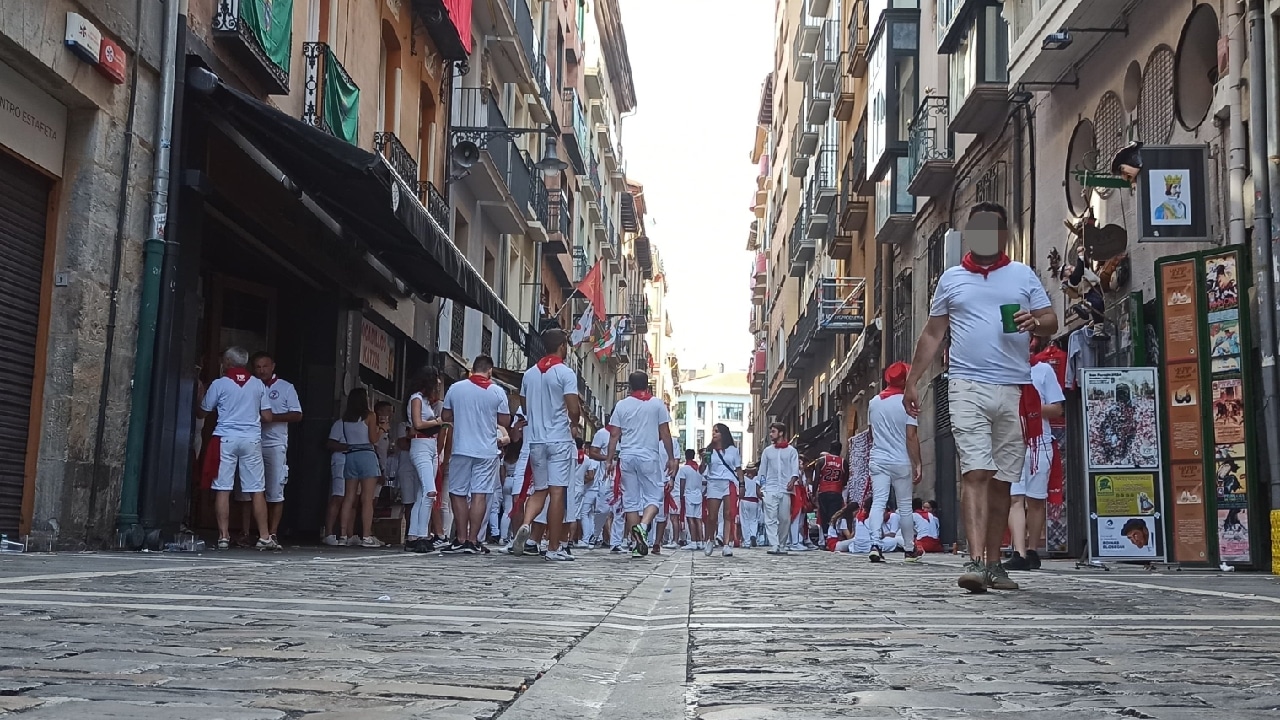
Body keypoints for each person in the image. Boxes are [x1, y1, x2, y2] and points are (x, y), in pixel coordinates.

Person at [905, 201, 1058, 593]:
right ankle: (974, 561)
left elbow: (1051, 321)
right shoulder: (951, 279)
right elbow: (933, 333)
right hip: (966, 384)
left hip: (1014, 387)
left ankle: (993, 563)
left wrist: (1034, 321)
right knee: (975, 471)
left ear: (1004, 234)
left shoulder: (1023, 275)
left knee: (1003, 482)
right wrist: (912, 381)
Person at [197, 346, 278, 551]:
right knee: (256, 489)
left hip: (225, 439)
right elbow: (268, 416)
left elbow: (202, 412)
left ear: (227, 362)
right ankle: (264, 536)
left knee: (223, 488)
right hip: (251, 440)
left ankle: (223, 536)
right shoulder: (258, 385)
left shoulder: (219, 384)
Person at [513, 329, 581, 561]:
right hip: (559, 439)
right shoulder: (565, 372)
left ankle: (525, 525)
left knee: (539, 489)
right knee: (557, 491)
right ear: (562, 345)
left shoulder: (530, 374)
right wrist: (574, 422)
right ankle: (553, 547)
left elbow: (524, 404)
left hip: (536, 440)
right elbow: (573, 408)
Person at [441, 355, 511, 554]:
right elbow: (505, 421)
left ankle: (461, 538)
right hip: (487, 451)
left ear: (473, 368)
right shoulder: (497, 391)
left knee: (458, 492)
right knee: (479, 494)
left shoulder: (456, 388)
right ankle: (474, 540)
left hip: (462, 448)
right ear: (490, 370)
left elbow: (445, 416)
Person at [605, 371, 678, 558]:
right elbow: (665, 433)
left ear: (629, 386)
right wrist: (671, 457)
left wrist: (609, 459)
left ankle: (638, 545)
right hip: (649, 456)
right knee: (655, 497)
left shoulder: (621, 405)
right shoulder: (657, 404)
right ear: (648, 385)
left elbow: (614, 435)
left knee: (631, 502)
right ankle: (643, 526)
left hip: (628, 457)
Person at [231, 352, 302, 544]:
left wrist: (271, 418)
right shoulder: (248, 386)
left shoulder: (286, 387)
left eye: (265, 366)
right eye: (258, 367)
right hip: (251, 441)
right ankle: (245, 532)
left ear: (273, 366)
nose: (261, 370)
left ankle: (272, 533)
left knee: (275, 490)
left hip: (275, 444)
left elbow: (297, 415)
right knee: (246, 490)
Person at [1006, 352, 1065, 571]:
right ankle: (1018, 552)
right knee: (1015, 497)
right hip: (1012, 442)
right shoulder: (1003, 370)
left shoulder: (1043, 371)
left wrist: (1029, 410)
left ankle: (1032, 550)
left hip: (1040, 443)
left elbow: (1057, 408)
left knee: (1036, 499)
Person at [867, 361, 922, 563]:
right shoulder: (908, 403)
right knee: (905, 506)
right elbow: (911, 436)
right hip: (901, 460)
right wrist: (918, 463)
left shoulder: (874, 402)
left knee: (878, 502)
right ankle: (909, 549)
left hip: (879, 458)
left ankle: (874, 544)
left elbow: (872, 433)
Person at [336, 388, 388, 548]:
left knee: (349, 496)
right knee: (367, 498)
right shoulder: (370, 416)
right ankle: (366, 536)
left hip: (350, 455)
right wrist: (383, 429)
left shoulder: (345, 419)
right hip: (366, 454)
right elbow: (373, 439)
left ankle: (343, 535)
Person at [405, 366, 446, 553]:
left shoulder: (427, 402)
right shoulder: (416, 398)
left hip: (429, 446)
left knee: (423, 493)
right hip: (421, 445)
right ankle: (421, 534)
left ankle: (414, 535)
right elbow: (418, 424)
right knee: (430, 492)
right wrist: (438, 422)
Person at [701, 423, 743, 557]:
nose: (714, 434)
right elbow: (701, 470)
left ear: (723, 434)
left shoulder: (732, 450)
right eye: (713, 431)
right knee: (712, 516)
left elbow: (738, 469)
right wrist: (703, 461)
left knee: (728, 514)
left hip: (729, 482)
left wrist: (742, 484)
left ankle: (726, 544)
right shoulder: (709, 450)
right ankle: (710, 540)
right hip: (713, 483)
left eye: (717, 431)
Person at [758, 422, 800, 555]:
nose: (771, 434)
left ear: (781, 433)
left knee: (784, 519)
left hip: (785, 489)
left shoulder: (792, 451)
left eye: (773, 431)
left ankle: (782, 543)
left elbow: (795, 469)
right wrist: (759, 486)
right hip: (770, 488)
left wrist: (792, 480)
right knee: (770, 518)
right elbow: (762, 470)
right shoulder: (767, 451)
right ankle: (774, 544)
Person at [814, 442, 847, 532]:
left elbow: (816, 479)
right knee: (834, 515)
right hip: (836, 491)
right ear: (840, 450)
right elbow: (845, 480)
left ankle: (825, 536)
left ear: (830, 448)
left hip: (823, 492)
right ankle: (832, 535)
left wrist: (813, 494)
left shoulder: (821, 461)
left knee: (824, 516)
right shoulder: (843, 462)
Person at [676, 449, 705, 550]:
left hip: (689, 495)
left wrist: (681, 495)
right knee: (698, 519)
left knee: (690, 519)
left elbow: (682, 483)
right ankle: (700, 542)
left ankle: (693, 542)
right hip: (698, 495)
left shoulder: (684, 469)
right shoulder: (698, 469)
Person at [739, 465, 761, 547]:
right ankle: (753, 534)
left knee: (745, 521)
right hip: (754, 501)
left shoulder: (743, 479)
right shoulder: (758, 479)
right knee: (754, 520)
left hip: (744, 500)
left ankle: (747, 541)